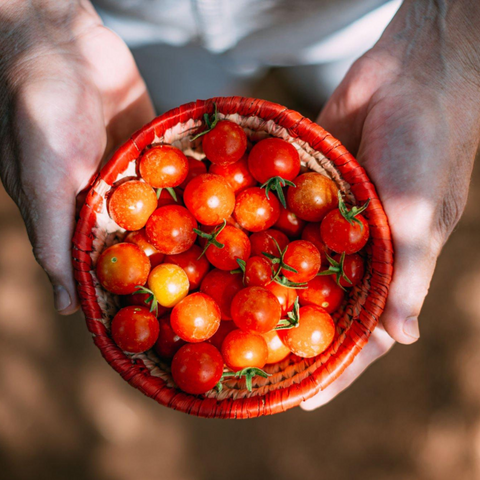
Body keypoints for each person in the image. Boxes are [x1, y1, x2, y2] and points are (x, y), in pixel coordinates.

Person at [1, 0, 479, 409]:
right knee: (171, 88)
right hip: (139, 21)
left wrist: (441, 31)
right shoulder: (223, 240)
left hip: (347, 16)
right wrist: (34, 20)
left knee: (342, 73)